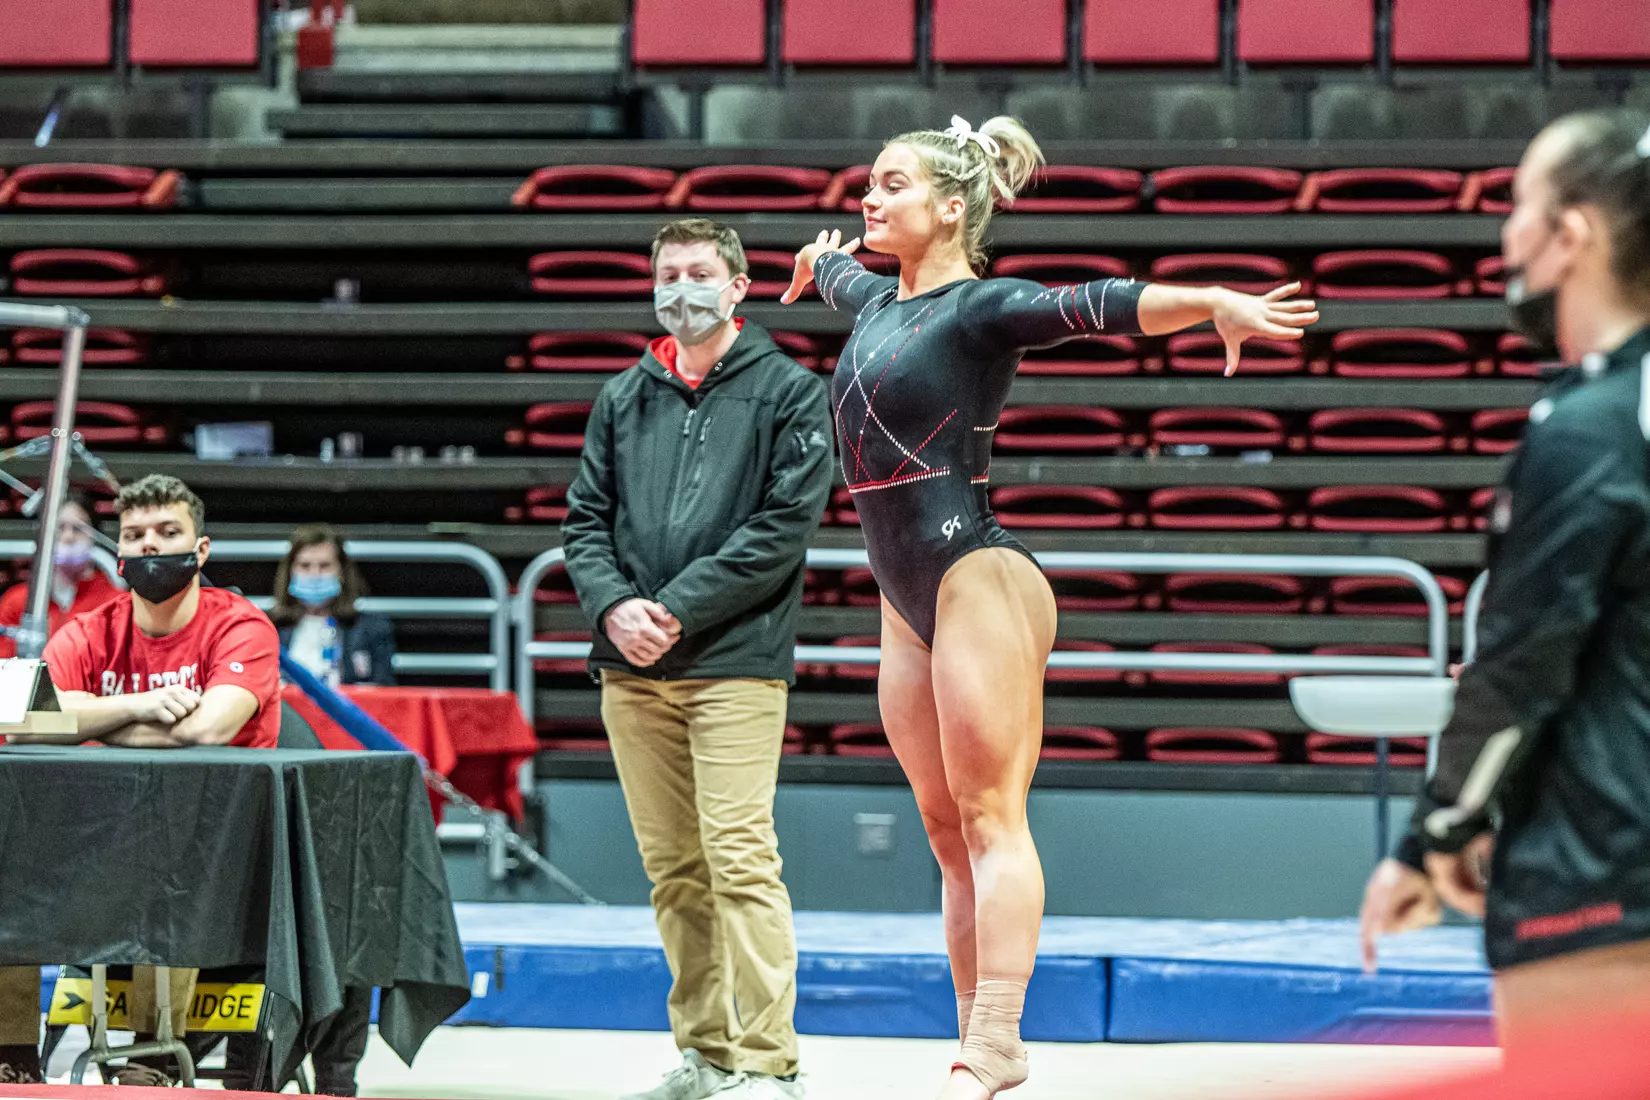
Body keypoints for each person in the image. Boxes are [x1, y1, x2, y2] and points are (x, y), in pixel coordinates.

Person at [779, 115, 1316, 1099]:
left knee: (991, 818)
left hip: (976, 571)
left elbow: (1098, 304)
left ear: (951, 206)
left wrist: (1209, 302)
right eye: (867, 184)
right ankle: (972, 1042)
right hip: (900, 595)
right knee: (944, 835)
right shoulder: (868, 301)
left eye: (890, 184)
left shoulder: (979, 309)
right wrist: (820, 261)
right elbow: (839, 271)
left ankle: (996, 1039)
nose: (868, 198)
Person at [1360, 109, 1650, 1054]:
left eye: (1519, 203)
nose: (1507, 233)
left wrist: (1433, 836)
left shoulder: (1589, 429)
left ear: (1574, 235)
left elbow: (1521, 666)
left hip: (1602, 877)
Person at [562, 217, 833, 1100]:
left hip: (736, 666)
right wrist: (611, 608)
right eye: (667, 275)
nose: (681, 290)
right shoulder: (621, 397)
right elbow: (582, 523)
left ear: (739, 286)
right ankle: (707, 1053)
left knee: (739, 857)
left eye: (699, 273)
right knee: (674, 869)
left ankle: (769, 1063)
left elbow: (781, 532)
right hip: (632, 673)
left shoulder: (790, 393)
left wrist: (671, 610)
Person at [0, 475, 283, 1084]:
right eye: (135, 536)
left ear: (200, 549)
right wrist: (139, 705)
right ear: (120, 553)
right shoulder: (89, 629)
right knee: (8, 860)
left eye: (167, 532)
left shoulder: (243, 627)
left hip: (220, 856)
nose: (150, 547)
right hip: (97, 844)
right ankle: (13, 1063)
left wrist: (85, 722)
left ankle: (150, 1059)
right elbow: (18, 721)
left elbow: (207, 729)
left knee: (168, 859)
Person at [269, 523, 396, 686]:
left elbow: (385, 692)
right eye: (305, 566)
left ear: (341, 571)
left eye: (325, 566)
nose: (314, 574)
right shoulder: (270, 629)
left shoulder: (372, 628)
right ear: (290, 572)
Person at [0, 490, 121, 658]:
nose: (68, 537)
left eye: (78, 529)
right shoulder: (16, 601)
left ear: (95, 537)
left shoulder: (115, 603)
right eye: (59, 528)